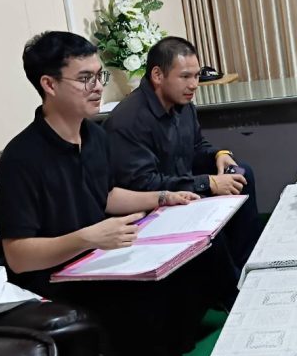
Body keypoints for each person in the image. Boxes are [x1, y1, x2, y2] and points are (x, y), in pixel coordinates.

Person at [0, 31, 233, 356]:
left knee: (190, 255)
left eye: (99, 75)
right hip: (56, 273)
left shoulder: (94, 136)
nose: (97, 86)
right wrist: (89, 238)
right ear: (48, 84)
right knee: (132, 291)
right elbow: (18, 255)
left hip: (99, 252)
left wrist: (163, 198)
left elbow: (106, 197)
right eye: (84, 78)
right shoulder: (21, 159)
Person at [107, 36, 261, 269]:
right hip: (153, 204)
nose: (194, 84)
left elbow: (196, 145)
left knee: (241, 173)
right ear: (158, 75)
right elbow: (144, 184)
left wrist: (219, 155)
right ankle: (230, 283)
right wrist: (207, 183)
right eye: (185, 76)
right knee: (207, 213)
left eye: (197, 76)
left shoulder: (183, 104)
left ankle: (247, 262)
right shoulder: (129, 120)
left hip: (182, 186)